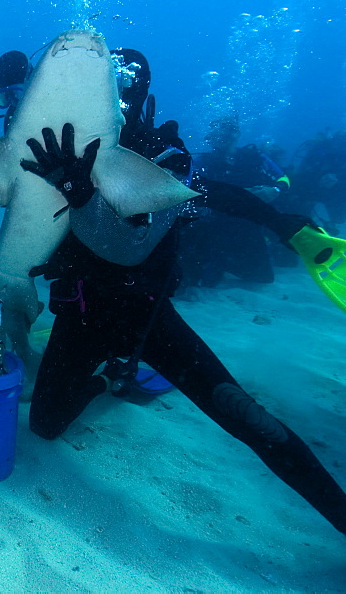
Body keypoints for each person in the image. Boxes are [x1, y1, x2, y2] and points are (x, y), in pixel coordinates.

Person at [19, 70, 346, 536]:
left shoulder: (165, 157)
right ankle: (112, 379)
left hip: (146, 320)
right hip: (82, 312)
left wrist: (277, 222)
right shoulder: (61, 153)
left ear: (137, 99)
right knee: (45, 425)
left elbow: (136, 243)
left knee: (246, 418)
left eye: (119, 94)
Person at [180, 114, 291, 287]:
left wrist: (275, 190)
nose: (221, 138)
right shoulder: (202, 162)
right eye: (216, 134)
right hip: (214, 225)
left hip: (247, 225)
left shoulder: (256, 158)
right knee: (203, 279)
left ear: (236, 135)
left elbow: (283, 179)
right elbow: (189, 191)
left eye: (227, 133)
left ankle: (268, 246)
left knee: (261, 276)